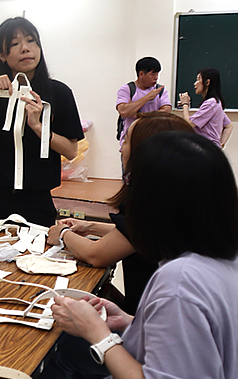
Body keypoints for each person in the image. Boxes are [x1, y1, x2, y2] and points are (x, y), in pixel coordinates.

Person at [47, 132, 238, 379]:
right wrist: (131, 321)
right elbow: (206, 348)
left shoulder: (181, 281)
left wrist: (99, 335)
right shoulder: (228, 261)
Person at [48, 111, 193, 313]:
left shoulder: (150, 202)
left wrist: (63, 235)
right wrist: (90, 226)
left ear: (146, 152)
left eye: (125, 142)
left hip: (150, 319)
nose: (120, 149)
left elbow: (96, 255)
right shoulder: (175, 194)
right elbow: (135, 237)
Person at [0, 17, 83, 226]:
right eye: (14, 44)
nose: (25, 49)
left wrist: (38, 127)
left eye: (31, 41)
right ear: (1, 55)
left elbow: (71, 150)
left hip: (37, 201)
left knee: (35, 258)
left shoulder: (59, 93)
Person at [115, 56, 172, 155]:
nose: (156, 78)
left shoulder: (160, 90)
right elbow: (124, 111)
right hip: (131, 142)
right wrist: (147, 98)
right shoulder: (127, 89)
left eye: (157, 74)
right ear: (141, 74)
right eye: (152, 74)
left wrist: (139, 115)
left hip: (155, 141)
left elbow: (166, 110)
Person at [179, 67, 233, 148]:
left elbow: (189, 124)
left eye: (198, 80)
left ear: (207, 82)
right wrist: (220, 144)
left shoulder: (210, 103)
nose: (195, 83)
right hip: (210, 148)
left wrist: (185, 104)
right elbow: (229, 126)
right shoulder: (216, 102)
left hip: (206, 148)